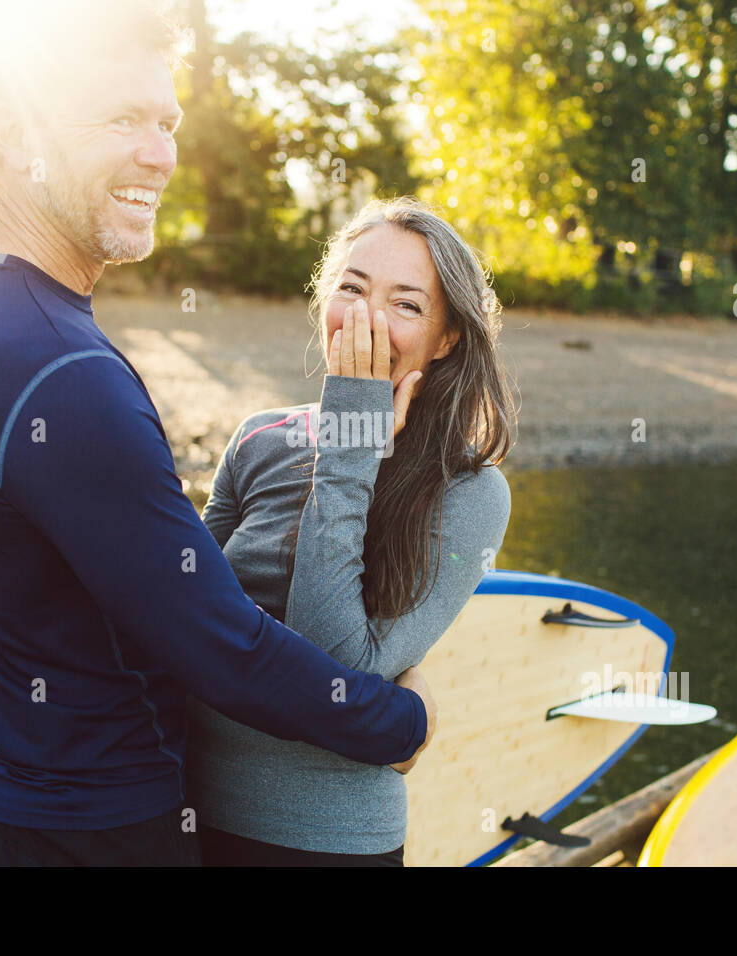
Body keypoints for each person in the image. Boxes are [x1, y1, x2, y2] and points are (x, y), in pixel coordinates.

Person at [0, 1, 436, 867]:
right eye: (122, 120)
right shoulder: (64, 374)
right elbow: (222, 648)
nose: (161, 154)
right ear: (9, 127)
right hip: (95, 832)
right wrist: (400, 722)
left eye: (168, 122)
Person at [188, 197, 515, 866]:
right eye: (352, 289)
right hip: (183, 816)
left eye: (407, 305)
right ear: (323, 303)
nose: (367, 319)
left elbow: (334, 681)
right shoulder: (259, 437)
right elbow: (181, 620)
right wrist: (411, 707)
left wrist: (350, 446)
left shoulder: (472, 491)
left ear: (447, 337)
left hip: (325, 846)